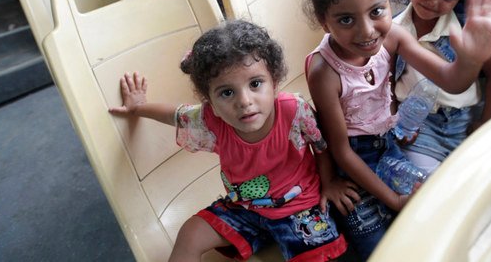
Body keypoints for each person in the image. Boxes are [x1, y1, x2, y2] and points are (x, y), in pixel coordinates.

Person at [304, 0, 491, 258]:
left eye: (376, 11)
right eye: (346, 20)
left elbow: (453, 80)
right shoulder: (324, 71)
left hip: (389, 146)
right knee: (379, 250)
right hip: (354, 166)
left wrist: (471, 59)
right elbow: (341, 150)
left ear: (390, 1)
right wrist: (392, 199)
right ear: (324, 21)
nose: (367, 31)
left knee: (432, 219)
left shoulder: (395, 37)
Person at [109, 20, 350, 262]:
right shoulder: (212, 121)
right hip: (244, 208)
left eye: (255, 84)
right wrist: (139, 107)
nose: (244, 101)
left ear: (274, 83)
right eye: (227, 92)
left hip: (300, 209)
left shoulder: (294, 110)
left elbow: (321, 147)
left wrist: (329, 183)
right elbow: (176, 114)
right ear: (210, 102)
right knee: (190, 233)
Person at [394, 0, 491, 173]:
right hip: (418, 125)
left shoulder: (466, 32)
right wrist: (398, 123)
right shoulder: (394, 29)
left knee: (475, 182)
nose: (434, 1)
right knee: (425, 185)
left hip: (461, 123)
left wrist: (485, 123)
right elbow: (385, 84)